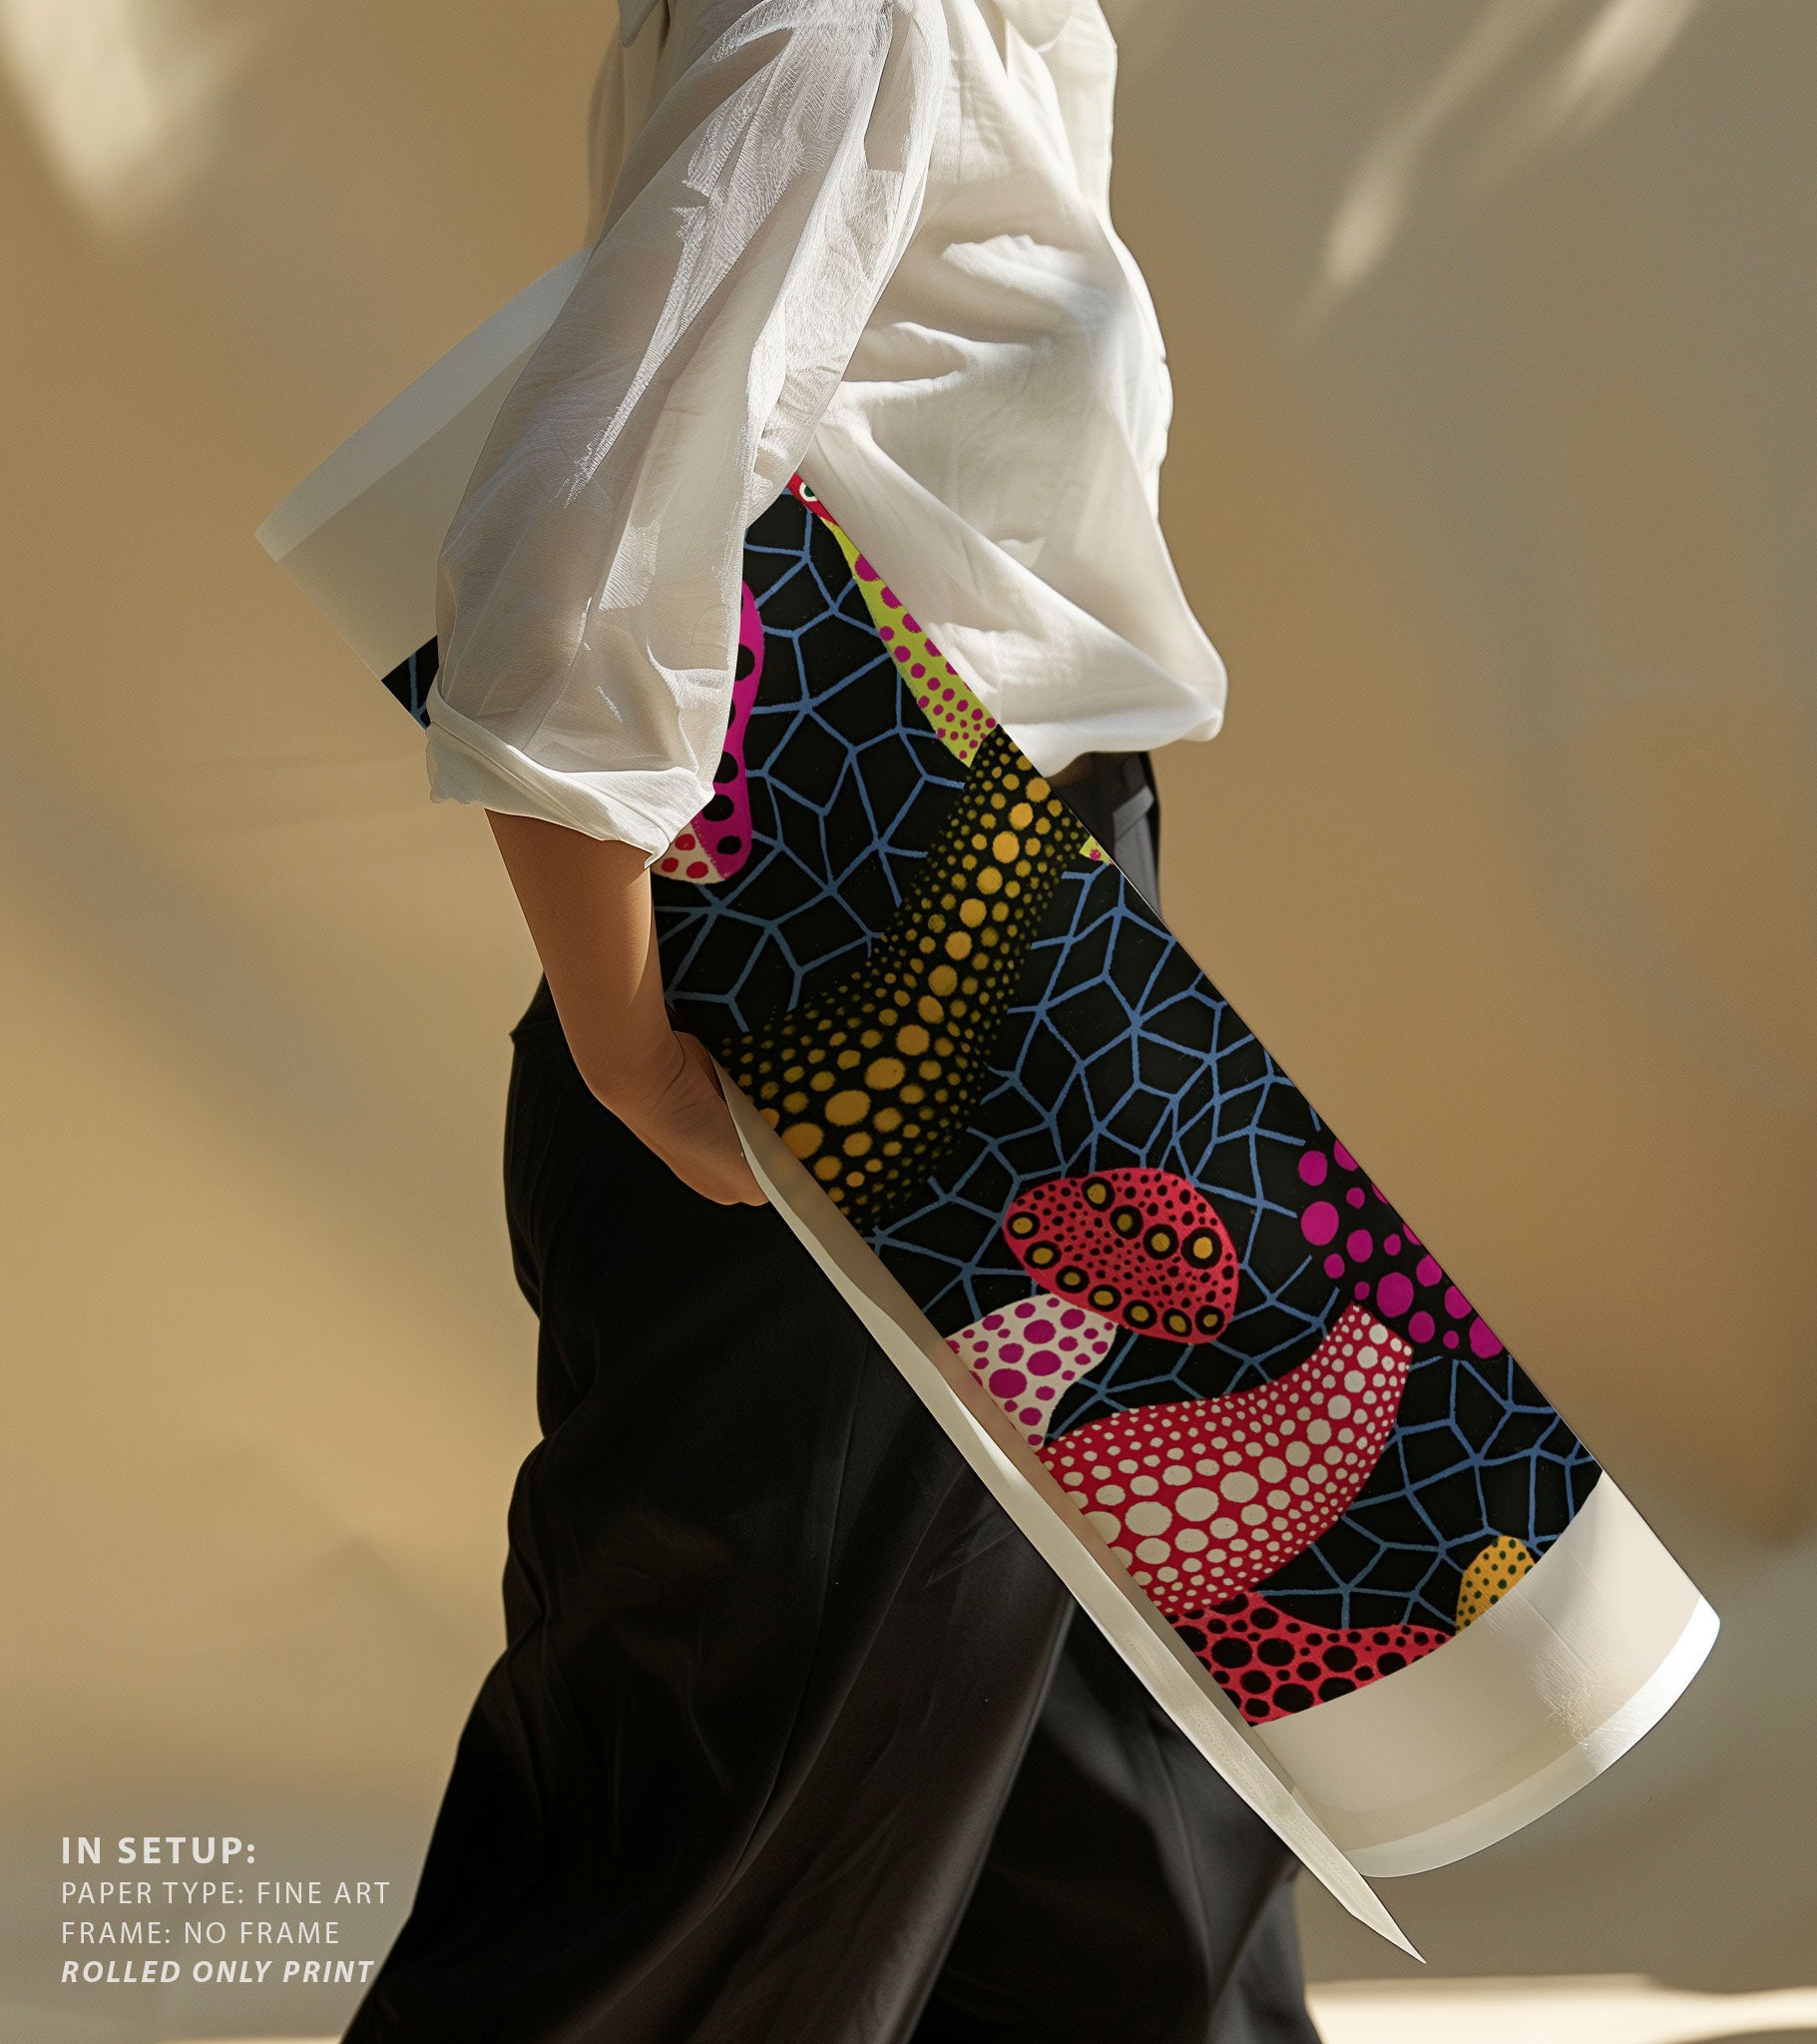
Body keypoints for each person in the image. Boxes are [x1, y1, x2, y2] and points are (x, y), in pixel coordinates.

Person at [342, 3, 1315, 2038]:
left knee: (1136, 1833)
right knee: (694, 1853)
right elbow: (577, 533)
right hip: (858, 952)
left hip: (1035, 928)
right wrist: (627, 1047)